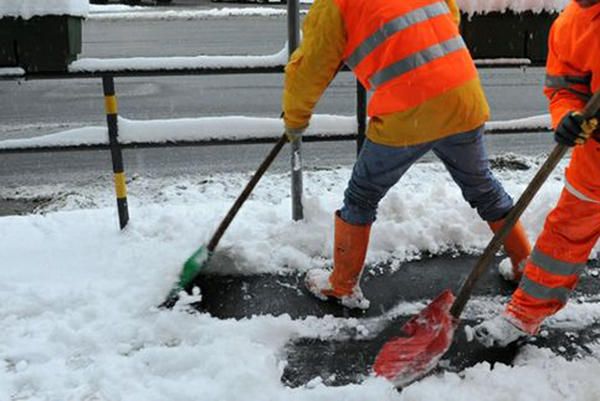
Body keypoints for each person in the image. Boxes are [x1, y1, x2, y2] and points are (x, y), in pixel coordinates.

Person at [282, 0, 531, 309]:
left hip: (409, 107)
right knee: (483, 186)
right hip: (461, 94)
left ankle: (342, 285)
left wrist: (295, 120)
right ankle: (525, 264)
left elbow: (309, 68)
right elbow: (449, 16)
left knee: (362, 195)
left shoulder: (335, 5)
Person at [474, 0, 600, 347]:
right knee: (562, 240)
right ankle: (522, 315)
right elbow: (564, 90)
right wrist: (569, 120)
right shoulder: (570, 25)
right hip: (596, 165)